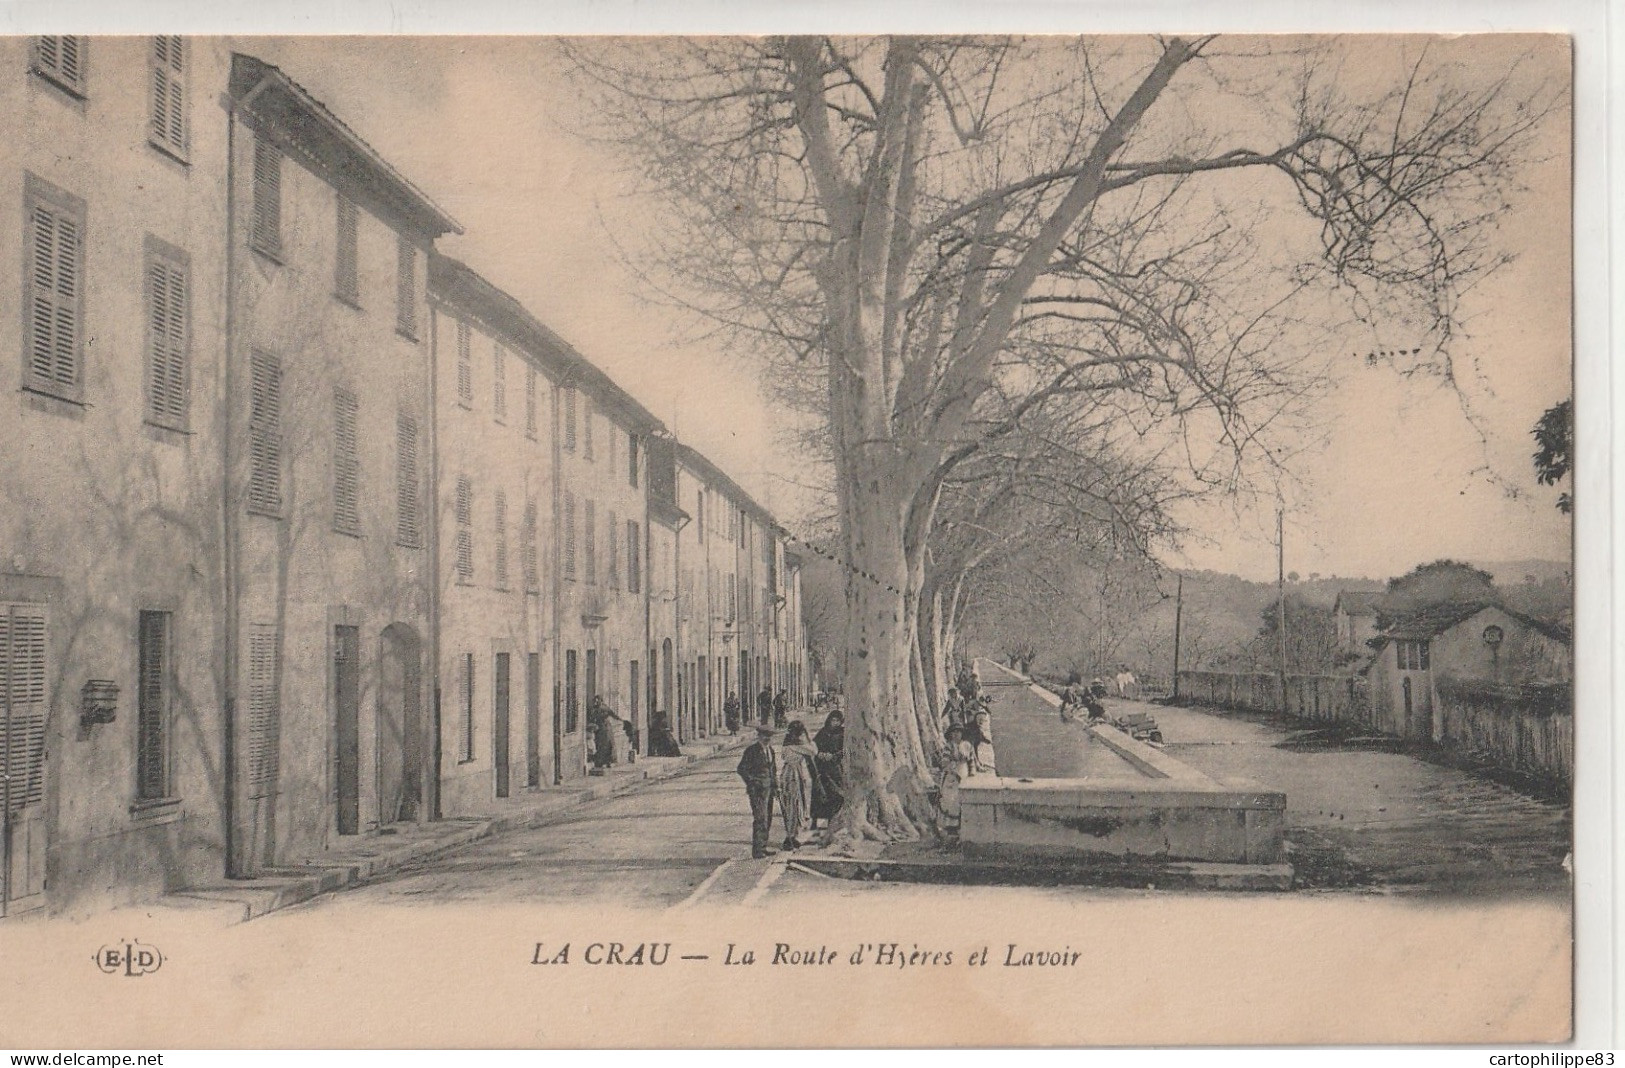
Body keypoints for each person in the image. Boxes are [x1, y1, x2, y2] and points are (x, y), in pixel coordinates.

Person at [736, 724, 778, 858]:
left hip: (769, 789)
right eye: (765, 736)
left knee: (768, 818)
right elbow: (741, 769)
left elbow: (773, 770)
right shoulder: (752, 751)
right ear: (758, 736)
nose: (767, 739)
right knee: (760, 818)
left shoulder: (770, 750)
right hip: (757, 790)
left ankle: (763, 846)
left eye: (769, 737)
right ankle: (758, 850)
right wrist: (752, 782)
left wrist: (775, 786)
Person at [777, 720, 817, 851]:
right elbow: (814, 751)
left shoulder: (788, 744)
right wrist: (808, 738)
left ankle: (792, 835)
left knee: (793, 807)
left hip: (790, 775)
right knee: (794, 806)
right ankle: (790, 837)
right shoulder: (795, 746)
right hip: (793, 777)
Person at [936, 724, 977, 838]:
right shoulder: (949, 746)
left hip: (963, 771)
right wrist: (948, 764)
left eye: (958, 732)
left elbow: (972, 761)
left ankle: (961, 824)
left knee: (961, 797)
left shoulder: (967, 746)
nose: (956, 735)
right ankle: (949, 826)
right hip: (951, 774)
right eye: (954, 732)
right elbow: (944, 761)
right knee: (949, 798)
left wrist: (972, 772)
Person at [811, 709, 845, 829]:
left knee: (835, 794)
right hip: (822, 767)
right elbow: (814, 745)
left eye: (837, 720)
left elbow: (844, 750)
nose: (834, 723)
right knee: (819, 793)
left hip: (835, 768)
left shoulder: (843, 733)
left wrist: (833, 756)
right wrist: (819, 754)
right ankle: (814, 820)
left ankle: (832, 820)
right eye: (833, 720)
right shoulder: (823, 731)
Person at [971, 705, 995, 774]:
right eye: (979, 720)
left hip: (975, 742)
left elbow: (982, 736)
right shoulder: (974, 727)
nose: (981, 722)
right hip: (970, 743)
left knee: (975, 749)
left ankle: (977, 762)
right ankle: (976, 764)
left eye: (982, 720)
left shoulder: (979, 728)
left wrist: (987, 740)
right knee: (973, 750)